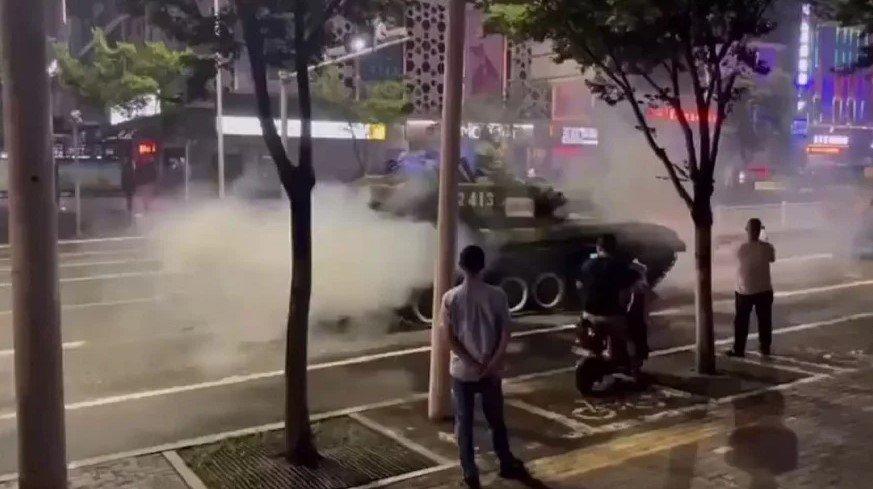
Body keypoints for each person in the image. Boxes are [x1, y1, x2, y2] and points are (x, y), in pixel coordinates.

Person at [440, 245, 526, 489]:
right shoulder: (497, 295)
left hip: (462, 372)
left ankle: (470, 473)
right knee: (496, 420)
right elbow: (505, 334)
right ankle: (506, 462)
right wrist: (492, 363)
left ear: (461, 266)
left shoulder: (450, 298)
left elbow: (450, 338)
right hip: (491, 371)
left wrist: (472, 363)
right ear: (483, 265)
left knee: (464, 424)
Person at [577, 234, 641, 370]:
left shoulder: (587, 265)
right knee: (630, 338)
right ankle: (635, 369)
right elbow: (636, 283)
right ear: (615, 249)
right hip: (611, 316)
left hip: (588, 315)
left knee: (585, 333)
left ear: (598, 248)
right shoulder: (620, 267)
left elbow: (579, 285)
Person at [727, 218, 776, 357]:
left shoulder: (741, 248)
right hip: (764, 290)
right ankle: (765, 347)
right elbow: (772, 258)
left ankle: (739, 349)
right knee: (764, 321)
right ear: (760, 231)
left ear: (747, 231)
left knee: (741, 321)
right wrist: (764, 236)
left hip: (744, 290)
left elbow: (734, 257)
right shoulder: (767, 247)